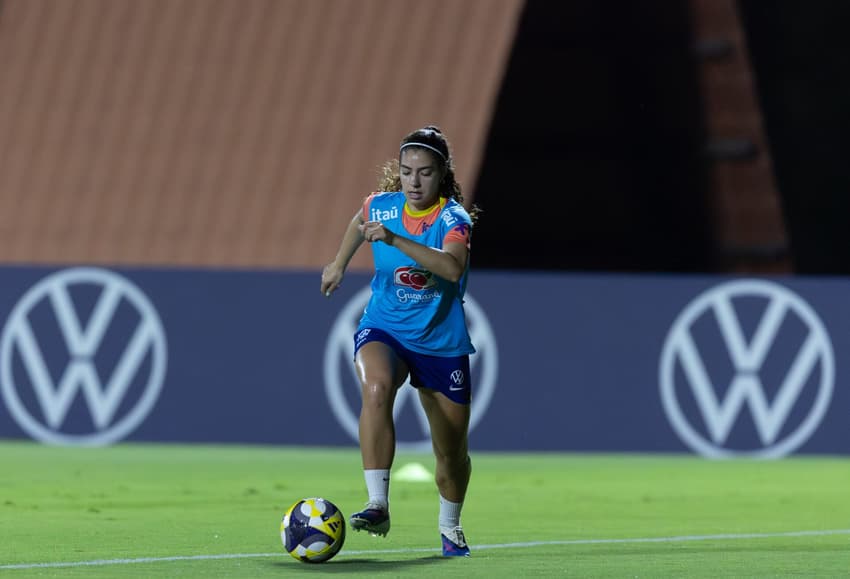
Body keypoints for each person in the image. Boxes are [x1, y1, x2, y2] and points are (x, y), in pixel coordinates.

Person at [320, 126, 478, 557]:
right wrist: (338, 263)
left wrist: (394, 240)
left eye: (424, 172)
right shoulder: (382, 207)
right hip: (385, 327)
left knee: (451, 455)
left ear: (441, 174)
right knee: (376, 386)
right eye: (407, 172)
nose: (413, 181)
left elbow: (449, 268)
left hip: (441, 344)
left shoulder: (453, 219)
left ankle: (450, 526)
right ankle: (377, 503)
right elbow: (360, 220)